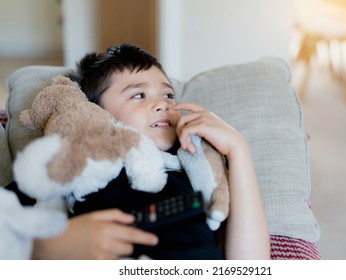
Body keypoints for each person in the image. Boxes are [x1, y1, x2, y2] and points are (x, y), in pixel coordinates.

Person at [9, 43, 270, 259]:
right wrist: (47, 247)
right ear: (97, 112)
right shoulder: (78, 162)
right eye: (138, 95)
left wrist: (238, 149)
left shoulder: (197, 168)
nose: (162, 104)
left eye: (169, 95)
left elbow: (252, 266)